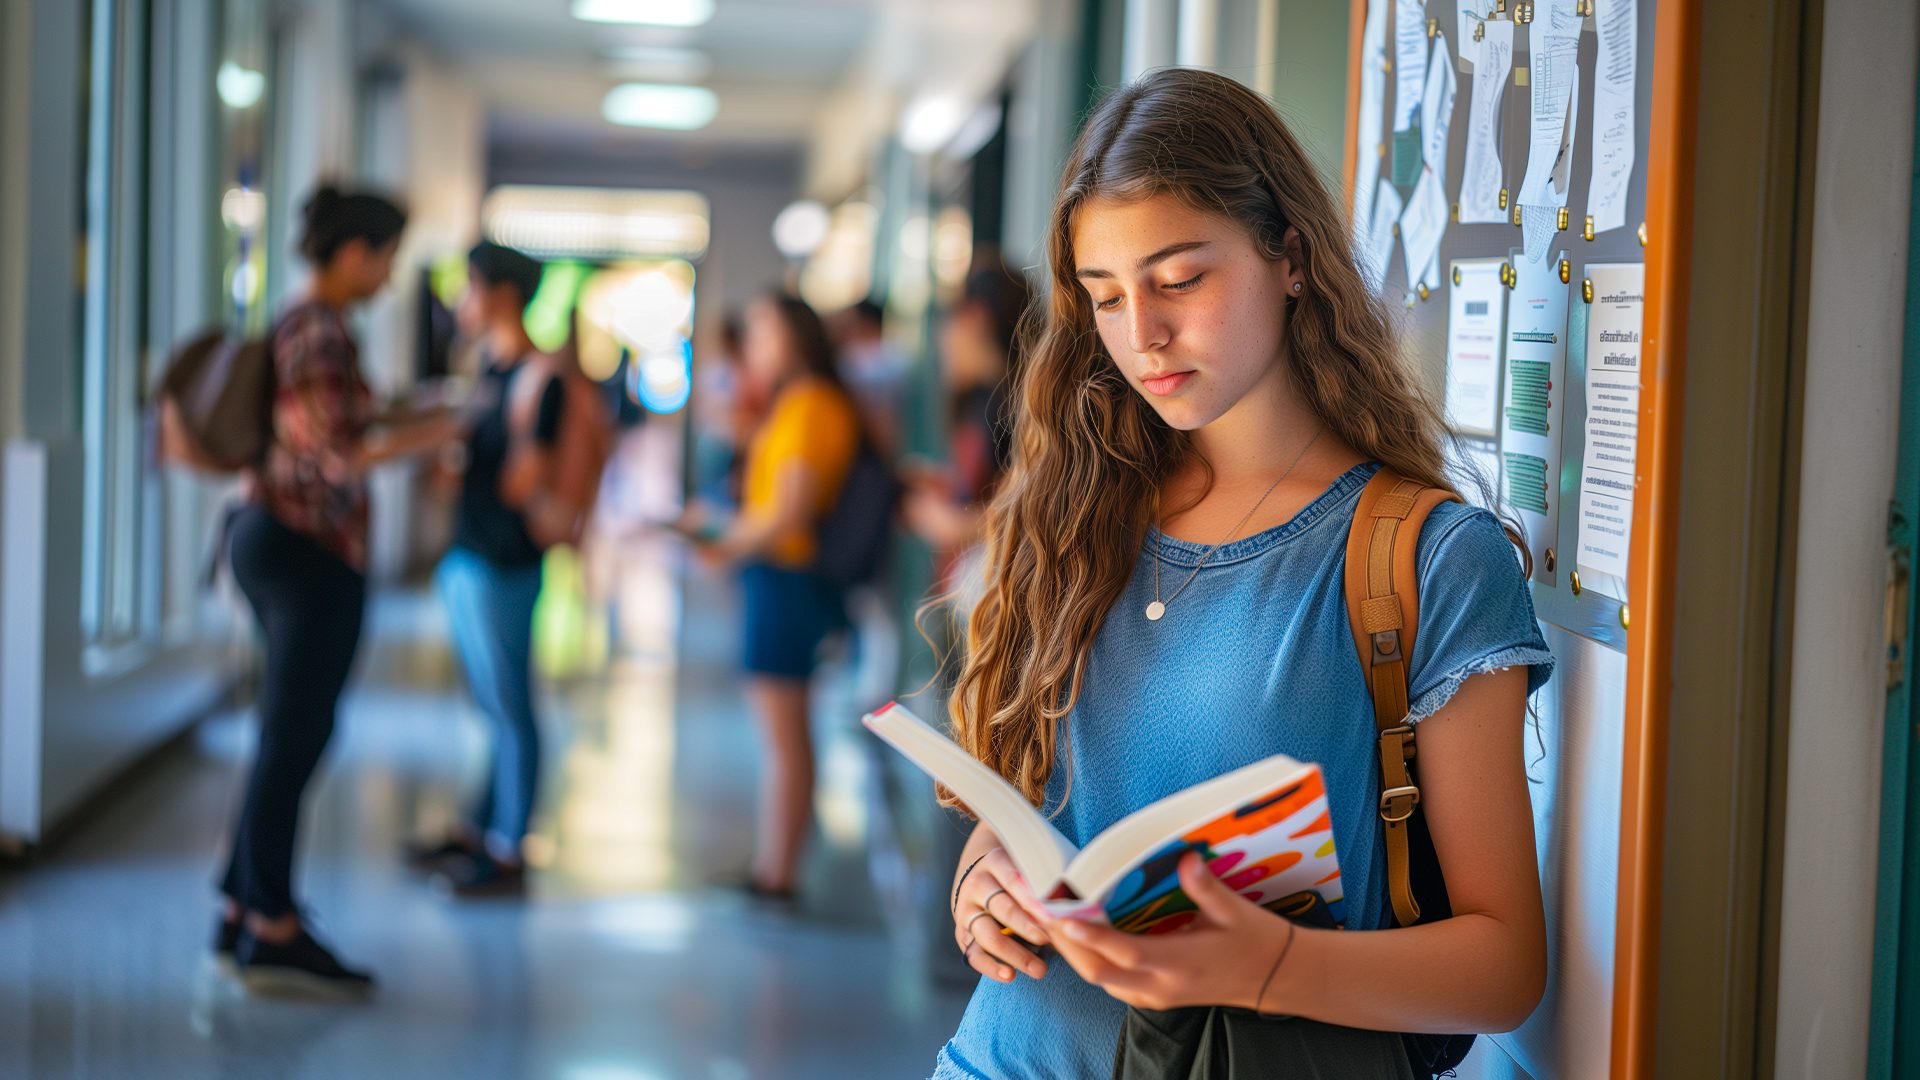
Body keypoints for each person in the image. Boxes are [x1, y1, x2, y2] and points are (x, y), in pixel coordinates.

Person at [932, 68, 1556, 1079]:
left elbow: (1504, 969)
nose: (1143, 335)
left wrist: (1268, 966)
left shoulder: (1425, 557)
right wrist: (984, 886)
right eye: (1105, 298)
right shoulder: (1073, 517)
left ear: (1291, 257)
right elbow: (1035, 813)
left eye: (1179, 280)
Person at [216, 184, 459, 998]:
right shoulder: (318, 331)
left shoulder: (310, 325)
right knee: (295, 735)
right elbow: (341, 454)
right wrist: (447, 430)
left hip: (278, 541)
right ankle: (272, 926)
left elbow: (347, 421)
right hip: (304, 550)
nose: (389, 276)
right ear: (355, 253)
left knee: (285, 732)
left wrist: (416, 410)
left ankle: (244, 903)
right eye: (386, 257)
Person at [688, 292, 861, 900]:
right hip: (779, 577)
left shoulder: (812, 403)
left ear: (793, 336)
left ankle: (778, 874)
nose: (754, 345)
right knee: (783, 735)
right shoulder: (797, 401)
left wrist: (723, 541)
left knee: (784, 737)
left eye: (763, 331)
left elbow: (786, 517)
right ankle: (773, 866)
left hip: (787, 581)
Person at [406, 241, 564, 897]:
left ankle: (508, 847)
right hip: (470, 555)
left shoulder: (537, 377)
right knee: (489, 702)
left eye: (468, 288)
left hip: (504, 562)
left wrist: (465, 449)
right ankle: (479, 827)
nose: (461, 303)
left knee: (510, 703)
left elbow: (527, 480)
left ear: (500, 294)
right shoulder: (487, 371)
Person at [902, 256, 1033, 601]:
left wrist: (954, 525)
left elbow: (1033, 501)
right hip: (974, 588)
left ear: (975, 317)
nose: (943, 339)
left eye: (950, 319)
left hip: (998, 591)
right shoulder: (980, 399)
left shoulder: (1023, 405)